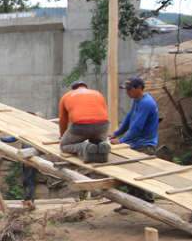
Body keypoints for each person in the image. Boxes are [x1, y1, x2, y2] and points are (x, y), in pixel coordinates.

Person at [110, 76, 159, 204]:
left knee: (142, 177)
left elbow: (136, 128)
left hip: (145, 145)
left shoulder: (146, 103)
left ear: (139, 88)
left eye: (129, 89)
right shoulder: (137, 100)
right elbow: (128, 118)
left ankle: (148, 202)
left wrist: (121, 141)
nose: (127, 92)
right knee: (130, 176)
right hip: (135, 143)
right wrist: (116, 133)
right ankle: (132, 203)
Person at [58, 81, 110, 163]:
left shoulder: (67, 96)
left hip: (80, 126)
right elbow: (104, 113)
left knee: (64, 146)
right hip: (102, 125)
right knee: (96, 142)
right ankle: (101, 144)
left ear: (73, 89)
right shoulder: (97, 93)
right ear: (86, 87)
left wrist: (62, 136)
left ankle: (83, 147)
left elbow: (63, 120)